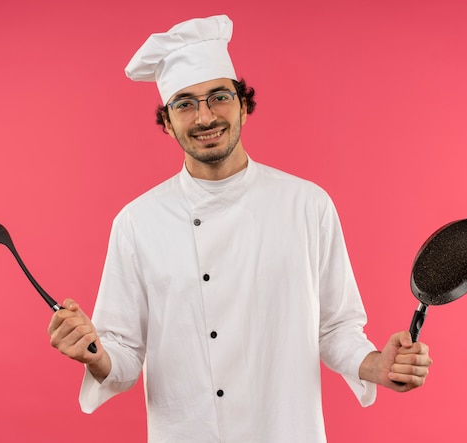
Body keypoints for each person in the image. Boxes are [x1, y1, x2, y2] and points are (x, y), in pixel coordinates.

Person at [48, 15, 432, 442]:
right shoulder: (137, 224)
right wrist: (92, 352)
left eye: (218, 97)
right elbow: (122, 354)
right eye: (185, 103)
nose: (205, 116)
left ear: (244, 106)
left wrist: (374, 365)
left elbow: (336, 327)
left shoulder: (307, 205)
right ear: (167, 123)